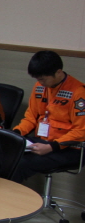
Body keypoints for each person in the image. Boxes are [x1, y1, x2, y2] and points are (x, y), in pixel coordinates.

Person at [10, 50, 85, 182]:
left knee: (20, 164)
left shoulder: (79, 92)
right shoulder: (39, 87)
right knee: (5, 154)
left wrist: (52, 147)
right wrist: (16, 133)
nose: (40, 82)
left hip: (70, 149)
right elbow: (31, 117)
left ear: (58, 72)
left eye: (42, 79)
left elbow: (81, 131)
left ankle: (9, 195)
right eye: (37, 79)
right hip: (42, 141)